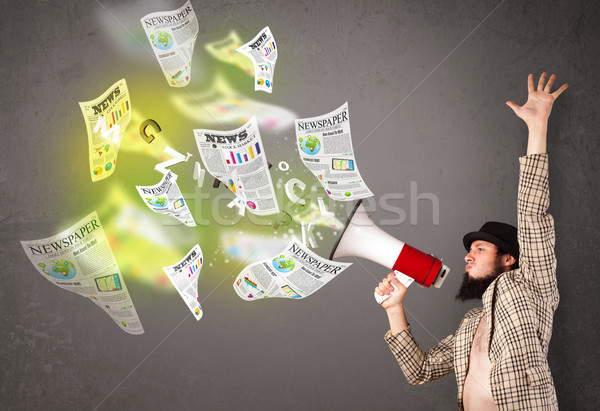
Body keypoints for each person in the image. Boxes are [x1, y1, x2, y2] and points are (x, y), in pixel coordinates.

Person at [375, 72, 568, 410]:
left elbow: (532, 213)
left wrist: (538, 127)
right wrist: (395, 309)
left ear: (509, 258)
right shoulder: (471, 325)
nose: (468, 256)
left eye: (480, 248)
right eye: (469, 250)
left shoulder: (532, 285)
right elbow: (420, 371)